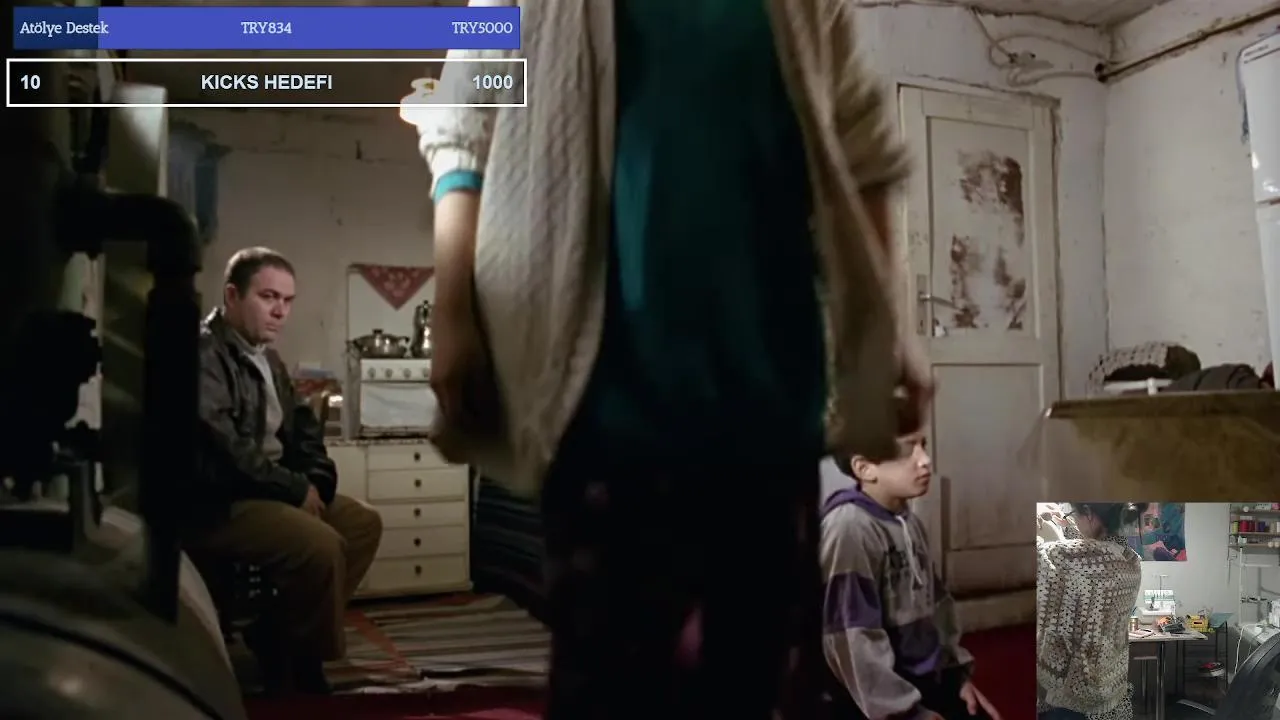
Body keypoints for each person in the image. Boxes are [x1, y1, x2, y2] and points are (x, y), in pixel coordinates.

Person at [414, 0, 934, 717]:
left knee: (751, 684)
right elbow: (463, 130)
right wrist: (452, 309)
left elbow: (864, 154)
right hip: (603, 408)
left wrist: (892, 329)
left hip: (770, 398)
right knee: (609, 687)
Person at [186, 247, 383, 695]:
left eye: (288, 300)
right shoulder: (202, 353)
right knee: (321, 545)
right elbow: (223, 448)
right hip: (222, 499)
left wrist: (316, 480)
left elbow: (303, 430)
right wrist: (293, 489)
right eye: (268, 297)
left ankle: (277, 632)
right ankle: (306, 657)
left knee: (362, 523)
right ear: (232, 296)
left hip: (271, 488)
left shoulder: (267, 357)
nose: (280, 311)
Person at [819, 431, 1001, 720]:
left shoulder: (908, 522)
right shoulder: (849, 529)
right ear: (864, 468)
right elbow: (853, 640)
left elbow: (937, 604)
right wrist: (907, 712)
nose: (925, 460)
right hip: (872, 699)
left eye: (923, 445)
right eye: (907, 450)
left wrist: (955, 677)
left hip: (922, 680)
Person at [1037, 503, 1144, 720]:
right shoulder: (1131, 561)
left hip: (1071, 698)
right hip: (1111, 691)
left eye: (1074, 514)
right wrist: (1069, 525)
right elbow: (1097, 553)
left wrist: (1033, 515)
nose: (1074, 521)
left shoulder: (1063, 558)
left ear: (1088, 513)